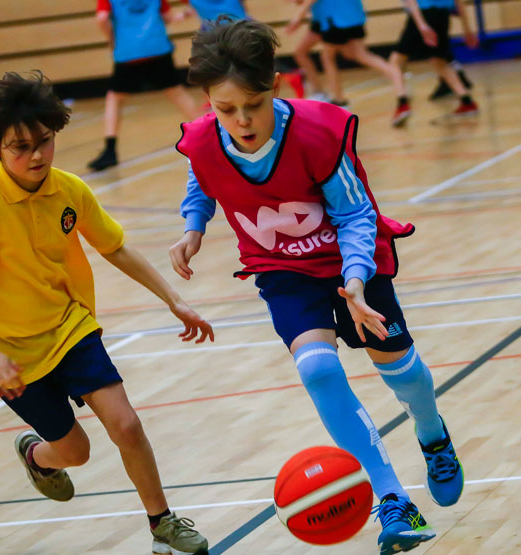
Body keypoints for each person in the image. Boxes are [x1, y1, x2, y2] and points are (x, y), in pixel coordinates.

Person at [173, 19, 463, 554]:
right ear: (209, 102)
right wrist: (193, 227)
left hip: (351, 261)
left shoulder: (316, 133)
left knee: (402, 372)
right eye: (225, 108)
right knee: (318, 367)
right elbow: (202, 177)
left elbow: (355, 216)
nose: (240, 120)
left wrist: (354, 284)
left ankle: (432, 432)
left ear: (275, 85)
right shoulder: (206, 138)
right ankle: (392, 499)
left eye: (252, 106)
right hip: (281, 269)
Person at [0, 71, 213, 555]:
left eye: (44, 141)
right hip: (13, 357)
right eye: (20, 147)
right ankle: (38, 456)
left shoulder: (69, 190)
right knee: (74, 453)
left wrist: (174, 299)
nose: (36, 155)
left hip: (70, 328)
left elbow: (115, 248)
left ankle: (162, 522)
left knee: (126, 425)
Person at [87, 0, 203, 171]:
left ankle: (110, 150)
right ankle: (209, 134)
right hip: (157, 47)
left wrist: (112, 40)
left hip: (128, 52)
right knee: (178, 94)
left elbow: (102, 18)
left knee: (115, 98)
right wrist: (184, 15)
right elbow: (167, 17)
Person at [287, 0, 411, 126]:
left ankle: (339, 101)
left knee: (328, 57)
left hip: (335, 19)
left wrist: (298, 16)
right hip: (354, 18)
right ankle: (402, 94)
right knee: (360, 55)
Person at [389, 0, 480, 120]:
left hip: (423, 13)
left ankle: (402, 105)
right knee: (439, 61)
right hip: (443, 15)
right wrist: (467, 28)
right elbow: (460, 2)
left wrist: (421, 25)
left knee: (395, 61)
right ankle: (467, 102)